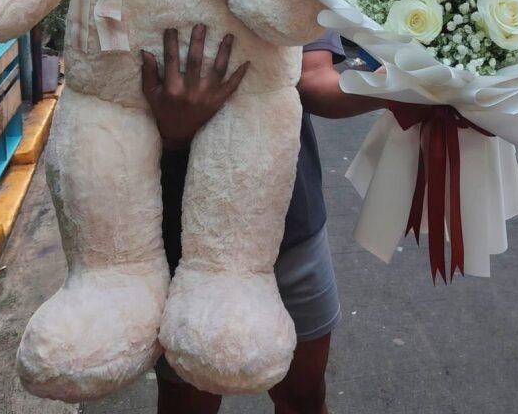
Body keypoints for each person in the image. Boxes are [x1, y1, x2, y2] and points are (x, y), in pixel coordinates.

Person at [142, 25, 383, 414]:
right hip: (179, 236)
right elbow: (113, 94)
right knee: (188, 399)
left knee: (303, 396)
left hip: (289, 222)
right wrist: (171, 133)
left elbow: (313, 75)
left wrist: (401, 87)